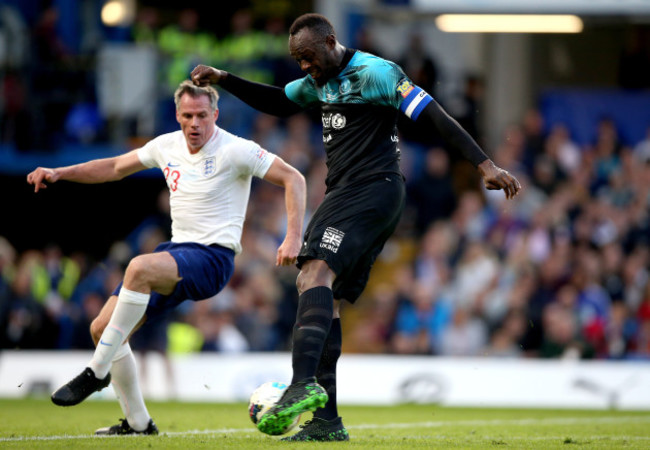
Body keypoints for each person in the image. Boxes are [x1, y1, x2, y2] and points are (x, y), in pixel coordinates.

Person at [191, 13, 521, 441]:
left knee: (313, 271)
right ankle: (327, 421)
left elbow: (433, 115)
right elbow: (278, 100)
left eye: (308, 56)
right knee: (326, 299)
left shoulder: (377, 72)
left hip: (372, 189)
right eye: (298, 60)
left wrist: (485, 164)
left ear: (330, 42)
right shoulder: (316, 82)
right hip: (351, 193)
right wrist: (225, 78)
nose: (304, 67)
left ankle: (301, 384)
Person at [26, 80, 306, 435]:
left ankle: (96, 372)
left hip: (212, 259)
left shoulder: (236, 150)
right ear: (177, 115)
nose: (194, 123)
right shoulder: (166, 146)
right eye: (187, 116)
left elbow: (294, 178)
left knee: (138, 267)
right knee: (103, 329)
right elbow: (114, 168)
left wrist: (293, 237)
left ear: (215, 115)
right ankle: (138, 422)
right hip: (175, 254)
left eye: (202, 115)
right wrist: (60, 173)